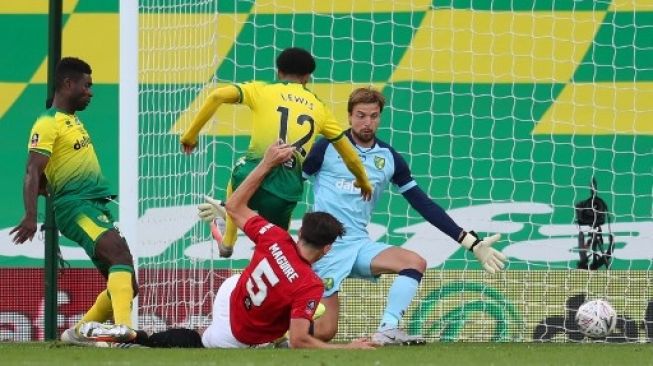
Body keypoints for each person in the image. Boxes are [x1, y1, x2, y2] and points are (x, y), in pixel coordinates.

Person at [301, 87, 508, 345]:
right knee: (323, 332)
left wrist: (470, 242)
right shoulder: (326, 148)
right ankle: (275, 335)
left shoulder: (388, 158)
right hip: (324, 249)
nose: (367, 123)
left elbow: (422, 203)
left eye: (373, 116)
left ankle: (387, 329)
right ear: (349, 116)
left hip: (358, 243)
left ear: (380, 117)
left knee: (414, 262)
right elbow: (292, 186)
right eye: (361, 115)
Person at [131, 142, 376, 349]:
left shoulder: (275, 236)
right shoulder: (309, 284)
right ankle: (142, 339)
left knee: (290, 308)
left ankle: (136, 335)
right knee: (199, 341)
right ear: (327, 249)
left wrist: (267, 162)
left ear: (300, 232)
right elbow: (301, 339)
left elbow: (234, 206)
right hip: (237, 331)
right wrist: (348, 348)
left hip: (232, 290)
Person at [181, 47, 372, 258]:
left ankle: (228, 241)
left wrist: (190, 136)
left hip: (252, 178)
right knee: (277, 248)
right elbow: (350, 155)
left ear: (279, 72)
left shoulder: (262, 90)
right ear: (308, 77)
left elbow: (217, 96)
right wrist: (363, 181)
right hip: (286, 191)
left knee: (239, 171)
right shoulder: (320, 108)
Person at [10, 57, 138, 344]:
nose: (90, 92)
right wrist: (31, 215)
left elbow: (44, 176)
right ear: (68, 84)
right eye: (86, 85)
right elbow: (32, 170)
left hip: (93, 205)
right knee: (119, 256)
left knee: (127, 281)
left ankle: (76, 333)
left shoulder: (72, 121)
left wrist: (46, 185)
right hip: (75, 206)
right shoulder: (47, 123)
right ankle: (124, 333)